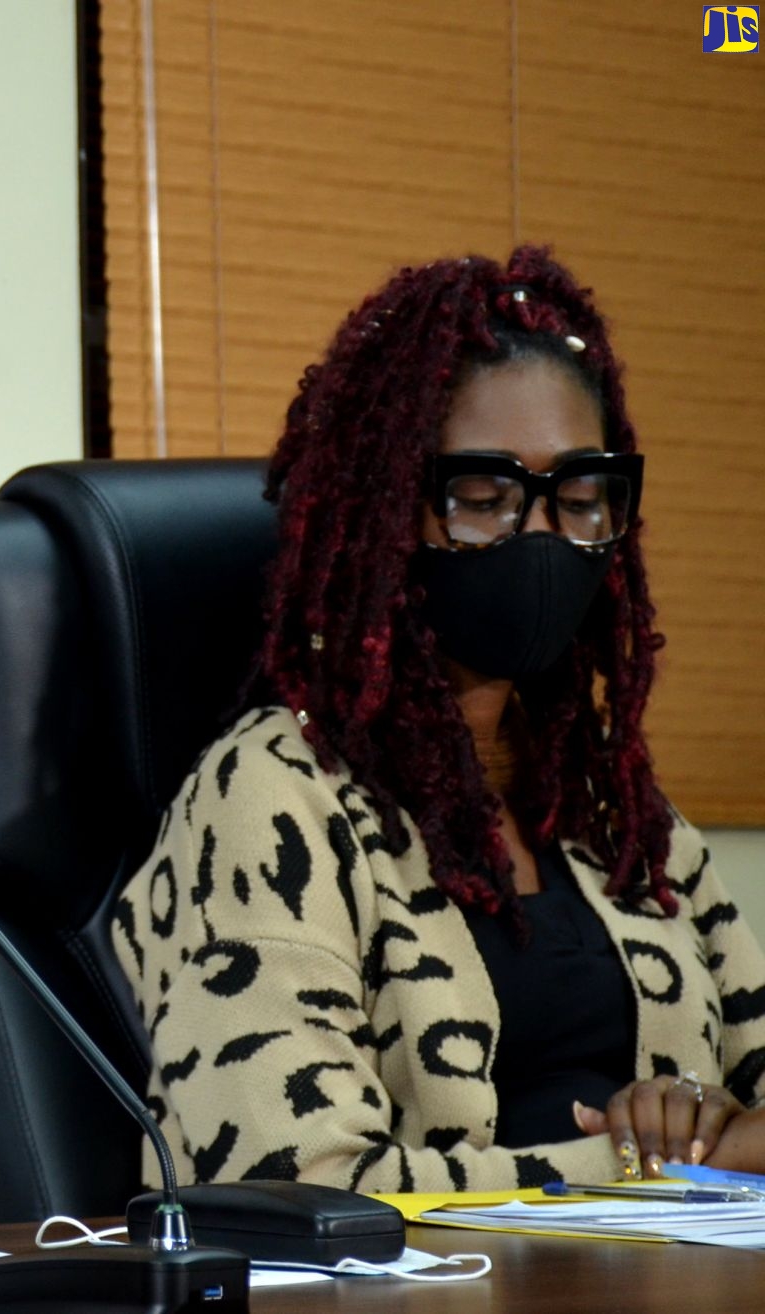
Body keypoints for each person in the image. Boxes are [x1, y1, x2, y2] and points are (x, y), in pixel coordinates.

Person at [110, 246, 765, 1194]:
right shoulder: (272, 795)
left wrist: (714, 1133)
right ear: (384, 514)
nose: (540, 539)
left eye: (580, 500)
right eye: (484, 500)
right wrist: (651, 1164)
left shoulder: (617, 815)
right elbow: (290, 1183)